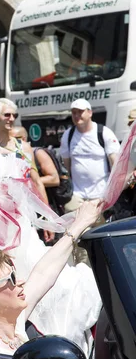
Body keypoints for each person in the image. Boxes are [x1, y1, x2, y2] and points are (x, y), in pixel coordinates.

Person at [0, 200, 102, 355]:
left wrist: (81, 222)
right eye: (11, 280)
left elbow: (44, 272)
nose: (20, 282)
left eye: (15, 275)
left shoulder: (11, 328)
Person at [60, 99, 120, 261]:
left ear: (90, 113)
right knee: (78, 238)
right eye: (74, 112)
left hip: (100, 197)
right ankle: (84, 272)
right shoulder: (69, 135)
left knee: (102, 238)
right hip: (78, 197)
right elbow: (67, 164)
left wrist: (111, 194)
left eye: (80, 111)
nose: (77, 115)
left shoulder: (104, 132)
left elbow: (115, 163)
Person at [0, 99, 54, 243]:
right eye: (7, 115)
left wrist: (47, 217)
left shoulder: (23, 147)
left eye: (14, 116)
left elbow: (36, 182)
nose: (11, 119)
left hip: (22, 213)